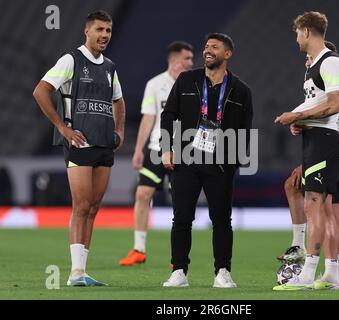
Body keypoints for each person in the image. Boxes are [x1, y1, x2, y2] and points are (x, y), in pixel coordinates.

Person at [33, 10, 125, 286]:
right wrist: (63, 128)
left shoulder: (109, 67)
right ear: (87, 32)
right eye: (99, 29)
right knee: (81, 205)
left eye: (108, 30)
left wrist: (119, 132)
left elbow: (118, 101)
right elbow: (41, 91)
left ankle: (82, 271)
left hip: (104, 144)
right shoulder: (71, 60)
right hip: (80, 143)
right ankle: (74, 272)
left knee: (94, 207)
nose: (104, 35)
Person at [160, 33, 253, 288]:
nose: (207, 50)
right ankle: (179, 271)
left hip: (220, 165)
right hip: (186, 161)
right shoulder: (187, 80)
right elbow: (168, 115)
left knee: (222, 220)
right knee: (181, 218)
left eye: (215, 47)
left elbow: (246, 131)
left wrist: (234, 163)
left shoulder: (241, 91)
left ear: (227, 54)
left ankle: (223, 272)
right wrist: (166, 148)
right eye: (206, 46)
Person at [274, 11, 339, 290]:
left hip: (325, 140)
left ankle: (308, 273)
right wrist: (301, 120)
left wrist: (295, 117)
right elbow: (318, 105)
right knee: (313, 204)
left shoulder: (331, 62)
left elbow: (333, 105)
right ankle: (329, 274)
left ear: (306, 31)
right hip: (315, 139)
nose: (296, 39)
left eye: (296, 33)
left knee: (315, 205)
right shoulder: (313, 65)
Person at [119, 41, 194, 266]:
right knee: (143, 194)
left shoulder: (195, 84)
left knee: (180, 202)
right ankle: (138, 249)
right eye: (187, 58)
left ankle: (178, 256)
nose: (191, 62)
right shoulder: (155, 84)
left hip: (183, 151)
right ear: (174, 61)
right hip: (155, 149)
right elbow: (148, 118)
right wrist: (138, 150)